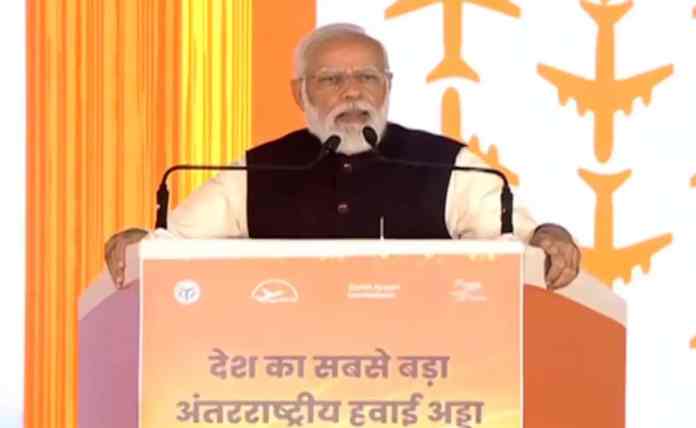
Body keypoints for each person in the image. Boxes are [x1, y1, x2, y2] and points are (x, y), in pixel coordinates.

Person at [105, 23, 580, 290]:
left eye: (368, 78)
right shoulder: (256, 171)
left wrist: (550, 236)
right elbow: (170, 247)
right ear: (299, 93)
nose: (353, 92)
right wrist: (136, 244)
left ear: (388, 86)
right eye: (331, 80)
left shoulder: (446, 164)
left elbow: (523, 242)